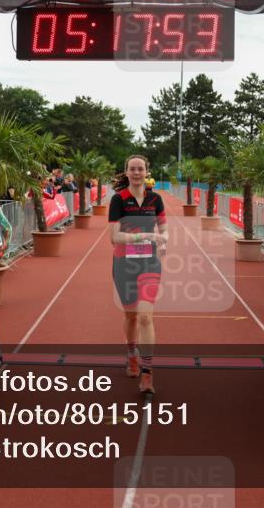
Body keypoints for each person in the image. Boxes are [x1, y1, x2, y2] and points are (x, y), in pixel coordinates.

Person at [108, 155, 168, 394]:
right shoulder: (118, 199)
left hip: (149, 263)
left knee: (145, 317)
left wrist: (163, 241)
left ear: (146, 172)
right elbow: (114, 237)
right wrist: (145, 236)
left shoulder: (156, 199)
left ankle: (147, 372)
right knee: (131, 316)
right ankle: (131, 354)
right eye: (132, 169)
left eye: (140, 169)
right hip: (124, 264)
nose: (136, 172)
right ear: (126, 172)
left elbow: (164, 229)